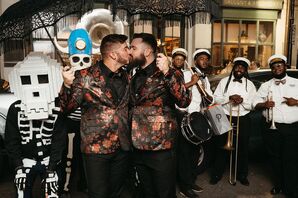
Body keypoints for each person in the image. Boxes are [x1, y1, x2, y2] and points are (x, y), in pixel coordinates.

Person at [59, 34, 132, 198]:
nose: (129, 52)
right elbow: (67, 108)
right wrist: (66, 85)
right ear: (113, 54)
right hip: (95, 148)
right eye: (126, 48)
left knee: (117, 193)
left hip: (122, 146)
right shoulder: (85, 76)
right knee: (98, 194)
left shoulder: (127, 76)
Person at [129, 33, 191, 198]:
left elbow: (184, 101)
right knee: (146, 193)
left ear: (148, 51)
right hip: (138, 145)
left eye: (133, 48)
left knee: (164, 193)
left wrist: (167, 71)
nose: (129, 51)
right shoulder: (134, 75)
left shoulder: (169, 73)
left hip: (161, 147)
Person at [5, 52, 66, 198]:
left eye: (43, 78)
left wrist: (51, 169)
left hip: (50, 160)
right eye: (26, 80)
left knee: (52, 193)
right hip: (25, 161)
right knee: (22, 193)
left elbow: (59, 141)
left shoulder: (58, 109)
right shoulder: (15, 109)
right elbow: (11, 140)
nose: (35, 87)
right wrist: (19, 167)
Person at [253, 54, 298, 197]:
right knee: (275, 158)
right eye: (273, 67)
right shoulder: (266, 85)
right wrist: (263, 104)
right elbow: (254, 103)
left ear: (285, 66)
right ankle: (278, 185)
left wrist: (295, 102)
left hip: (292, 128)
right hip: (271, 128)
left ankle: (290, 189)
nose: (276, 68)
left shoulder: (296, 82)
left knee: (290, 159)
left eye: (279, 65)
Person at [211, 57, 257, 186]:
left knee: (243, 147)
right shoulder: (224, 81)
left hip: (243, 117)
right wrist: (228, 98)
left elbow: (253, 104)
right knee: (220, 146)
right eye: (237, 66)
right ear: (234, 68)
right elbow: (216, 98)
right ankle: (216, 174)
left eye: (242, 67)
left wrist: (242, 101)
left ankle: (242, 175)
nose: (239, 69)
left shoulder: (250, 84)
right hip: (225, 115)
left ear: (245, 70)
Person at [176, 49, 213, 198]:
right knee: (184, 153)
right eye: (201, 59)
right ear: (195, 61)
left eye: (206, 59)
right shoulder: (185, 74)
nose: (204, 61)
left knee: (194, 153)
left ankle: (190, 181)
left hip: (198, 117)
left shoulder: (206, 79)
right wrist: (192, 82)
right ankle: (184, 186)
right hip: (185, 116)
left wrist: (207, 94)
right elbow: (177, 91)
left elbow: (210, 97)